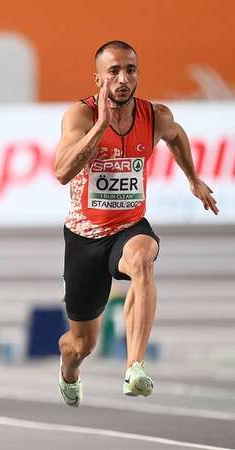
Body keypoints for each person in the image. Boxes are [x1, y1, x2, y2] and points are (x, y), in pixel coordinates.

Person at [54, 40, 218, 407]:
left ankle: (135, 366)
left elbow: (176, 136)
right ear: (97, 78)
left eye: (130, 70)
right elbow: (62, 172)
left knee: (143, 260)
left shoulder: (154, 116)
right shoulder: (79, 116)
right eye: (113, 71)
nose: (123, 79)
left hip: (129, 226)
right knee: (82, 344)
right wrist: (100, 128)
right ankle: (69, 369)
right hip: (85, 238)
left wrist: (192, 178)